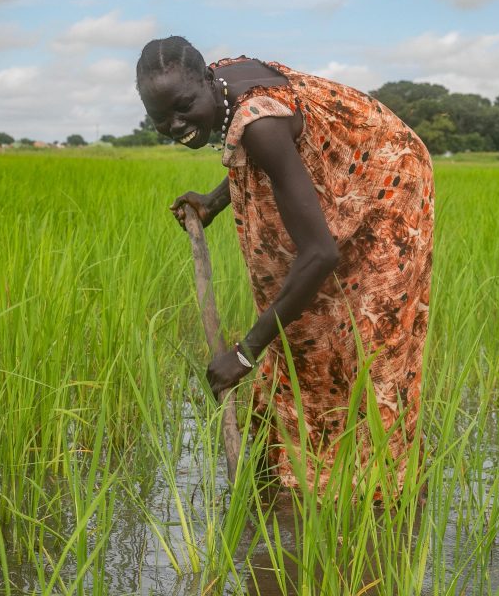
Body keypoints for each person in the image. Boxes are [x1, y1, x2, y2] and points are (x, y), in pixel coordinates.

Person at [136, 36, 434, 495]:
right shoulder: (226, 91)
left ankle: (370, 486)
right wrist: (215, 201)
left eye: (183, 106)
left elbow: (320, 253)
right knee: (306, 326)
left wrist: (242, 354)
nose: (175, 125)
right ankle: (302, 467)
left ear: (205, 81)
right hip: (339, 172)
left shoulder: (261, 123)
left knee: (364, 336)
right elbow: (268, 156)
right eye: (160, 118)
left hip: (387, 182)